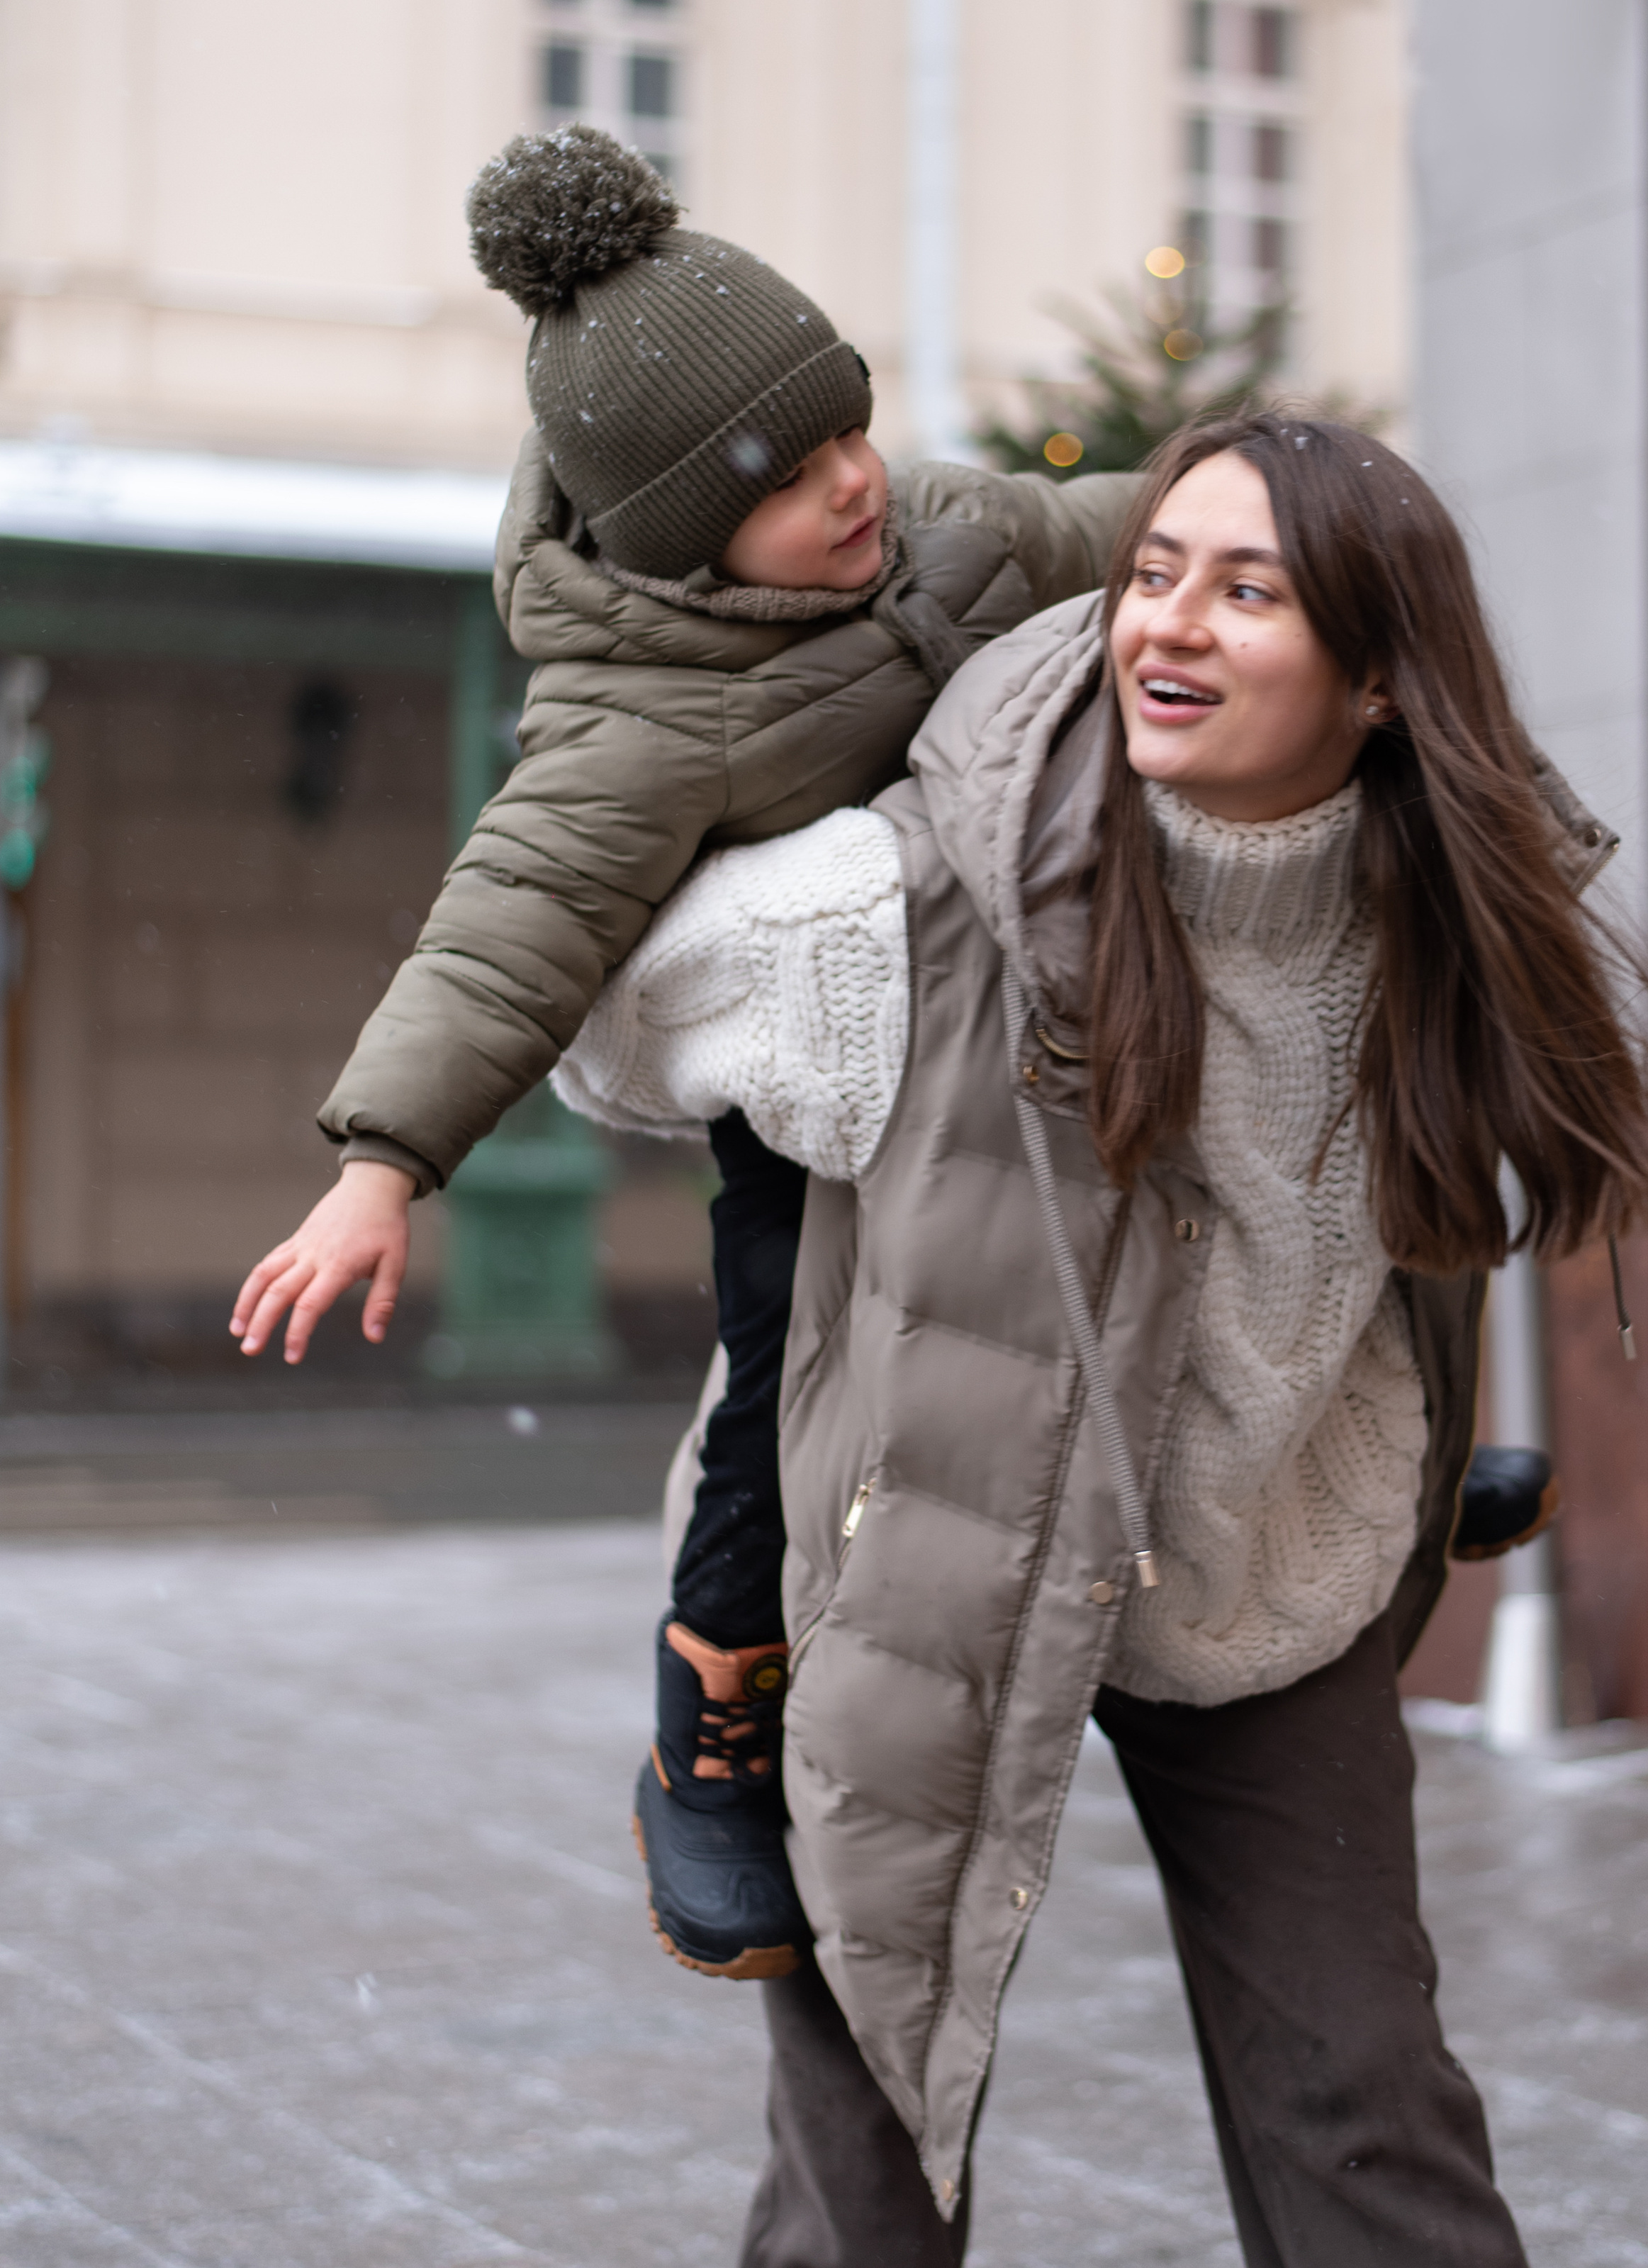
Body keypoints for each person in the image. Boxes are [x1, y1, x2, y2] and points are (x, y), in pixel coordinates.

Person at [551, 411, 1648, 2266]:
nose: (1168, 620)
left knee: (1365, 2111)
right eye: (1154, 571)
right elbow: (608, 1036)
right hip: (928, 1565)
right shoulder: (922, 897)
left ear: (1380, 679)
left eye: (1249, 592)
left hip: (1269, 1567)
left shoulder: (1442, 919)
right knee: (868, 2173)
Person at [227, 125, 1138, 1983]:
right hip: (815, 1119)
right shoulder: (633, 718)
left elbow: (1116, 524)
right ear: (677, 534)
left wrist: (1264, 499)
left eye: (847, 427)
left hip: (1023, 1039)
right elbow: (510, 926)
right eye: (789, 479)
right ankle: (709, 1737)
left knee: (1202, 1198)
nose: (852, 483)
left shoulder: (934, 529)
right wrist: (379, 1171)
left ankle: (1354, 1452)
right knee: (779, 1401)